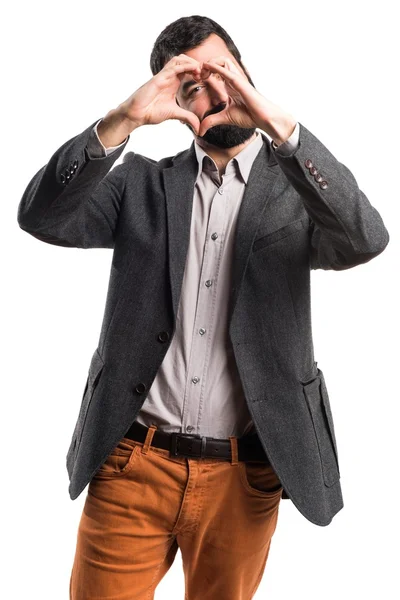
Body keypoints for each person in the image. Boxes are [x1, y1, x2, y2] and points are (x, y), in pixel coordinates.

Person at [17, 14, 390, 600]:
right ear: (174, 103)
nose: (213, 92)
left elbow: (365, 238)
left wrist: (279, 126)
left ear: (245, 73)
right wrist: (121, 122)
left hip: (246, 476)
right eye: (191, 86)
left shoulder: (298, 192)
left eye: (223, 73)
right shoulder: (138, 185)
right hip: (132, 466)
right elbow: (42, 217)